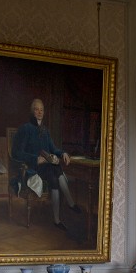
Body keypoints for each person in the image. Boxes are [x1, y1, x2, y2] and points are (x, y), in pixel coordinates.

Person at [10, 98, 82, 230]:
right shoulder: (25, 129)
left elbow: (53, 149)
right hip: (32, 167)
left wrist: (63, 153)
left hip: (47, 168)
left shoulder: (45, 130)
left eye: (41, 110)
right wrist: (34, 158)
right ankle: (70, 204)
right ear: (32, 112)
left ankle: (57, 220)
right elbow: (16, 153)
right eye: (36, 109)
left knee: (54, 174)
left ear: (44, 112)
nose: (39, 112)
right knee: (55, 168)